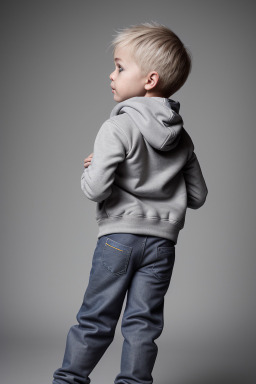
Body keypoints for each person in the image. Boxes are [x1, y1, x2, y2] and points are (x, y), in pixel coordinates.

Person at [52, 22, 208, 384]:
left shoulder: (117, 128)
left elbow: (95, 189)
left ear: (149, 80)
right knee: (143, 326)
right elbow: (198, 196)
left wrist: (89, 167)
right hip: (162, 246)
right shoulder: (182, 138)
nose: (112, 74)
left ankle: (69, 380)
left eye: (120, 67)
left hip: (118, 241)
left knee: (95, 319)